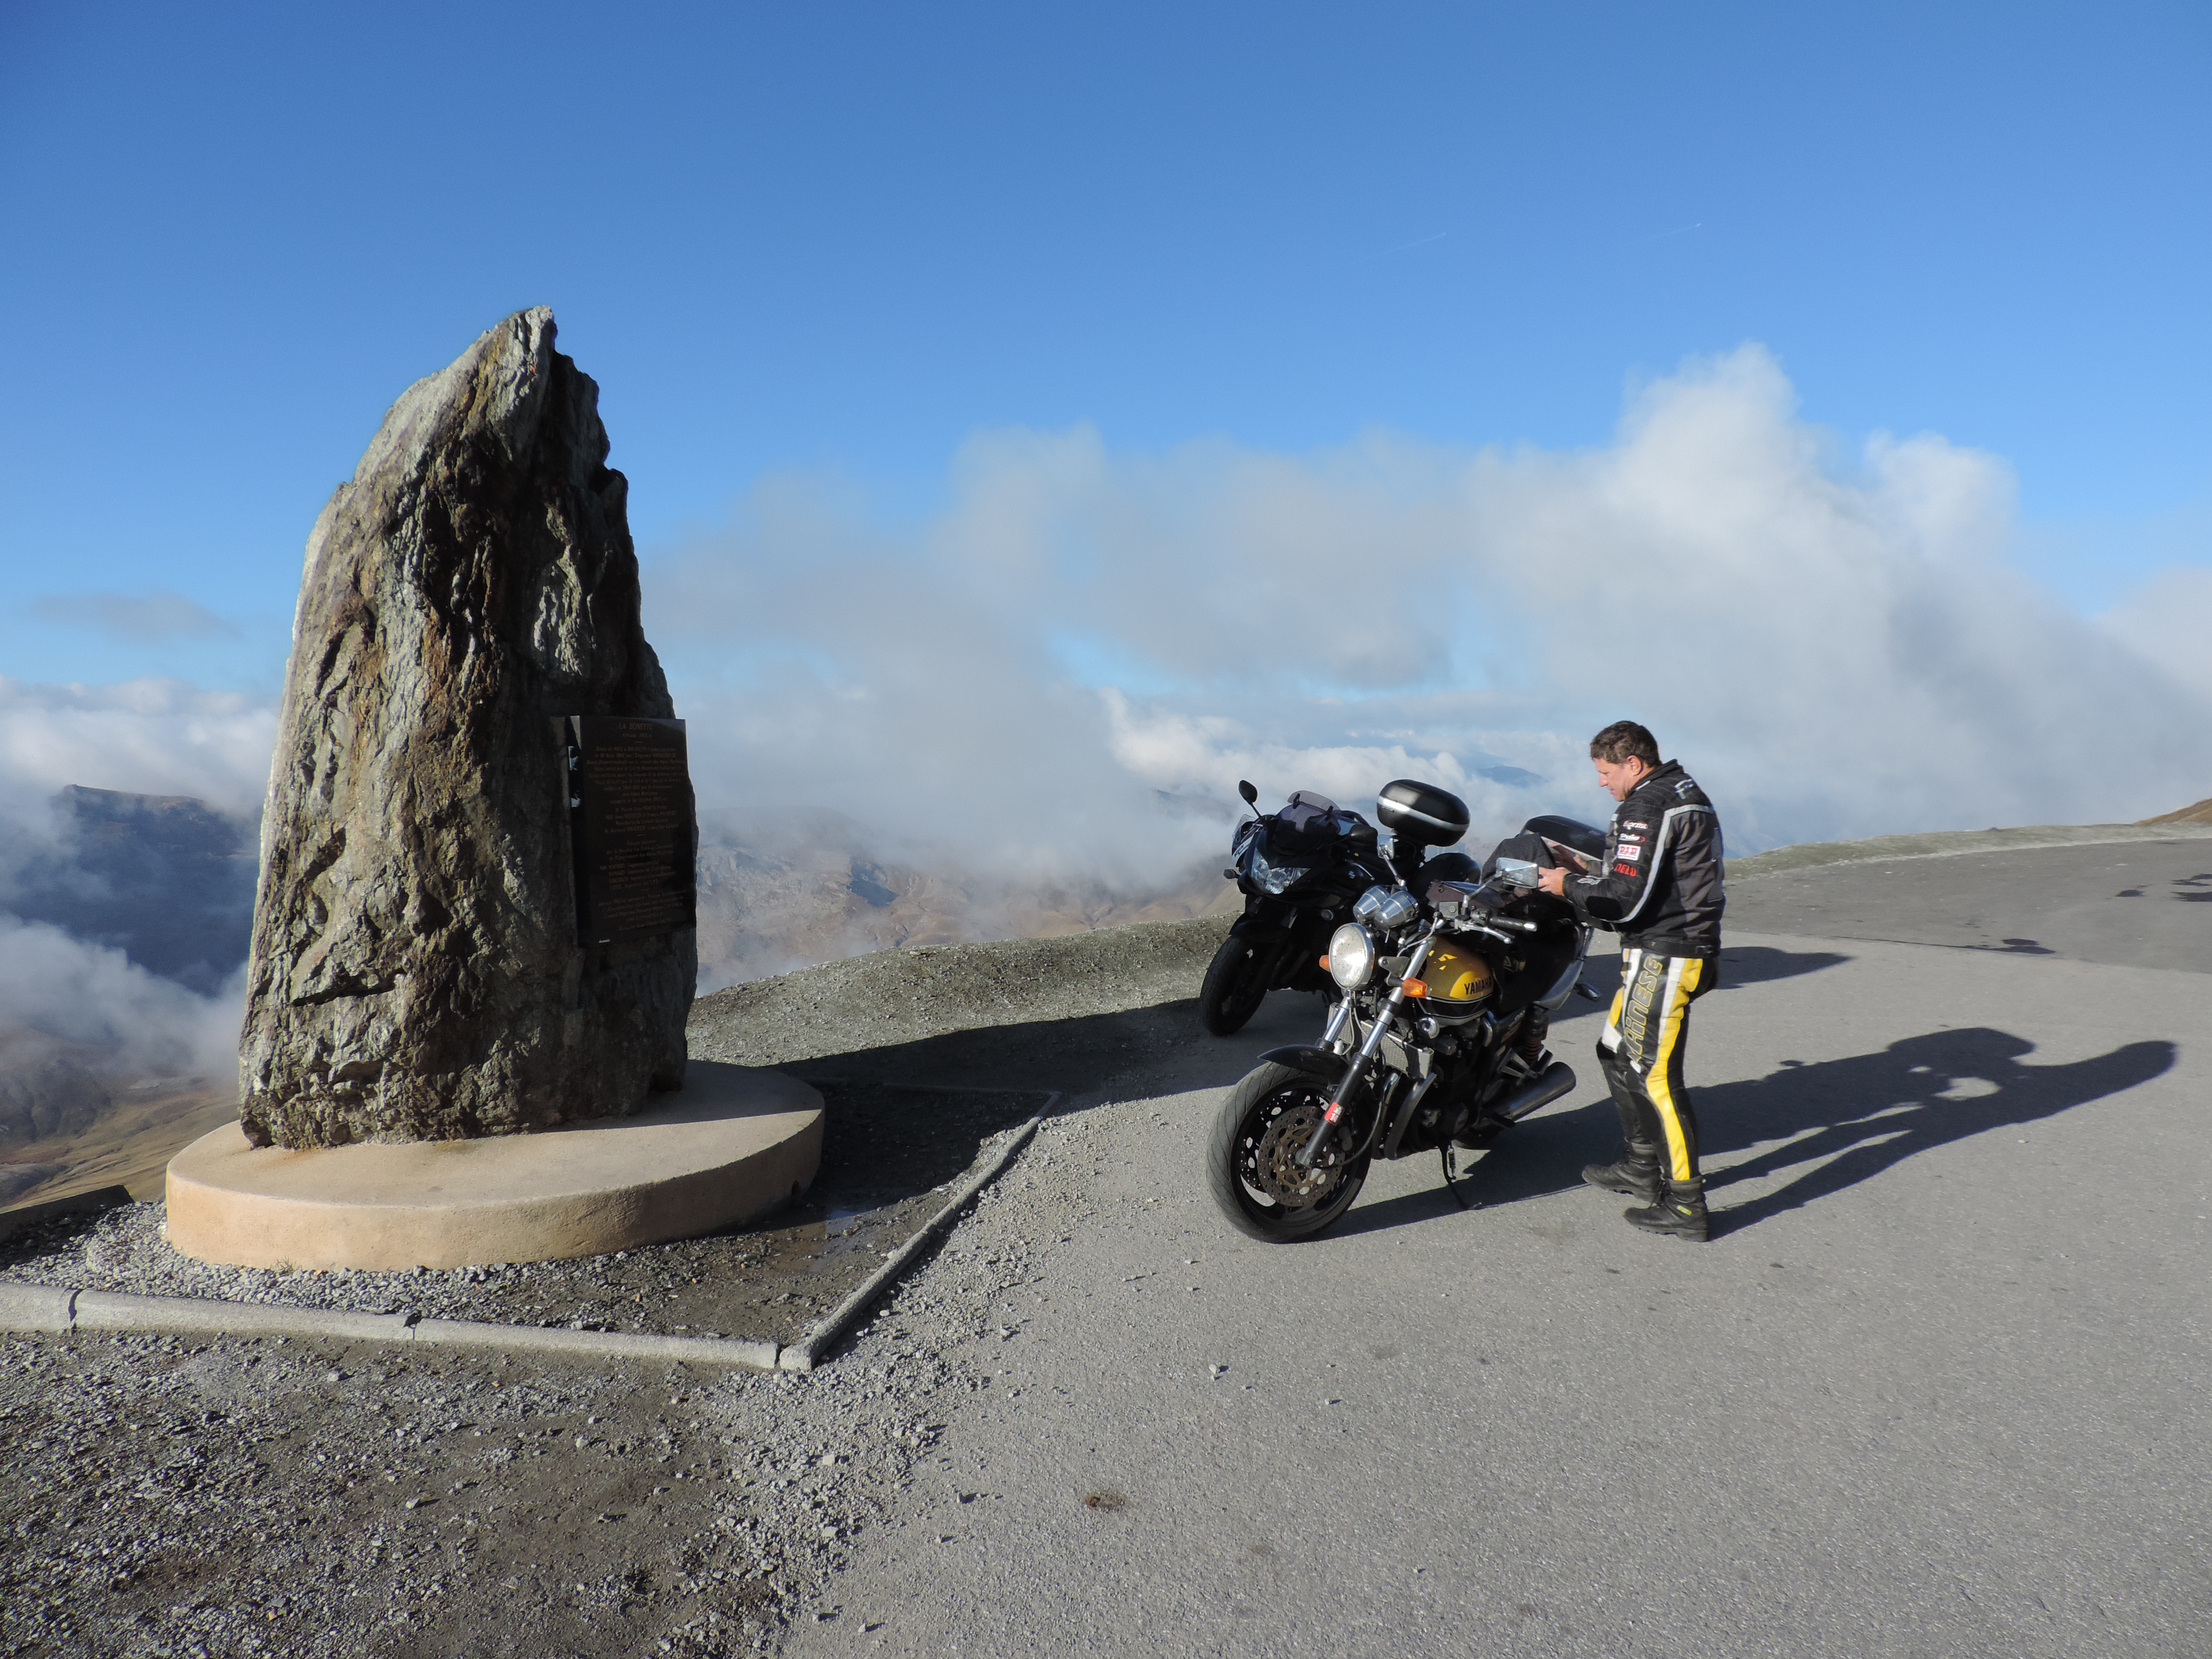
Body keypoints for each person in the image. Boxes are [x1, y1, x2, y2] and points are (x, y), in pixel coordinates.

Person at [1537, 721, 1724, 1241]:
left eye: (1605, 772)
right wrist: (1590, 869)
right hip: (1669, 949)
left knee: (1655, 1076)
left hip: (1668, 954)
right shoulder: (1682, 792)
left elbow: (1625, 900)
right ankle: (1641, 1165)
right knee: (1615, 1050)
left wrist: (1564, 884)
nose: (1602, 783)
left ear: (1633, 765)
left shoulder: (1647, 805)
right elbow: (1645, 878)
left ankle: (1688, 1205)